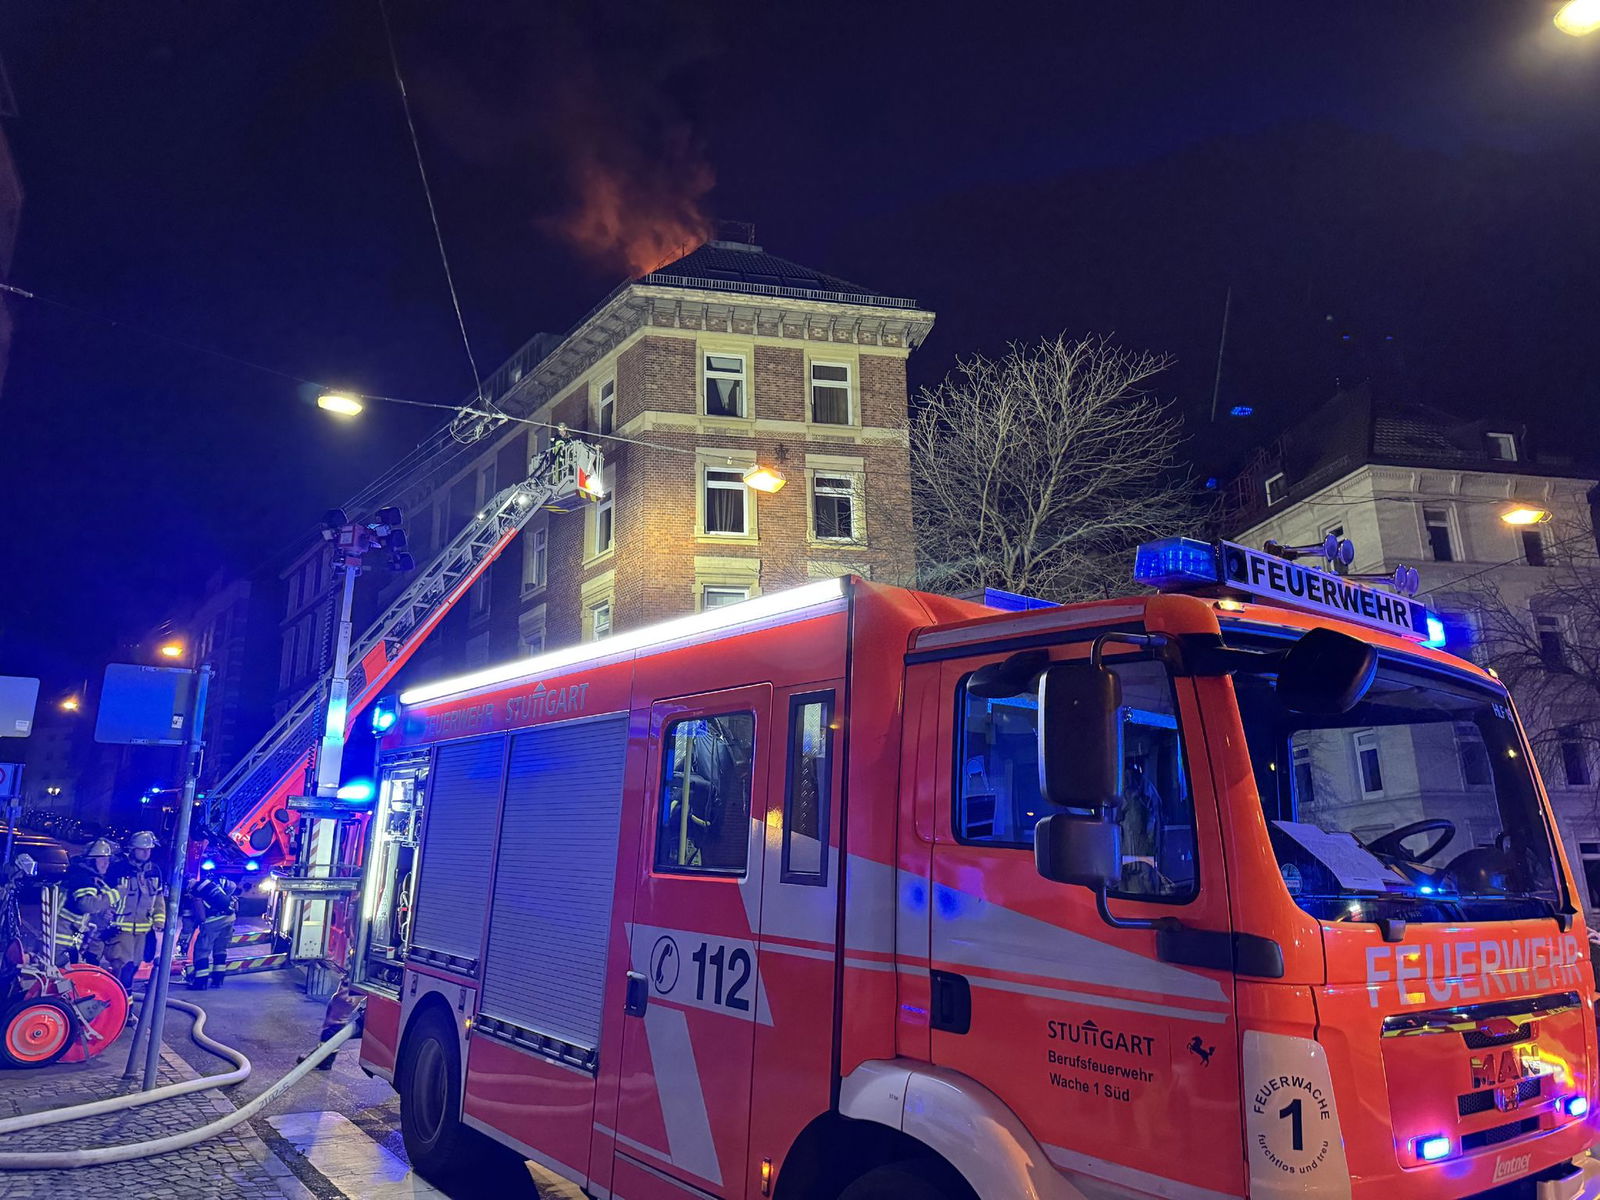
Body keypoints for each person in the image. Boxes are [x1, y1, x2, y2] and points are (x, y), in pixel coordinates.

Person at [105, 831, 167, 990]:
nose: (146, 853)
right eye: (142, 849)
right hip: (120, 929)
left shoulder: (155, 871)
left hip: (143, 931)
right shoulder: (118, 868)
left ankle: (125, 1005)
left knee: (133, 968)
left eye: (149, 849)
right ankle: (121, 1007)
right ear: (132, 849)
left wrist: (159, 920)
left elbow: (158, 898)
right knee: (123, 967)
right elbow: (106, 895)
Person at [56, 838, 120, 966]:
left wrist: (105, 915)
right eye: (102, 859)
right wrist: (116, 894)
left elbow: (90, 914)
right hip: (60, 939)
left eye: (108, 860)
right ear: (91, 861)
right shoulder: (82, 879)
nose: (106, 863)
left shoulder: (90, 878)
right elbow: (87, 905)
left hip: (70, 939)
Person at [188, 868, 238, 989]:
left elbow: (200, 914)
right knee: (220, 949)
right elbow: (232, 887)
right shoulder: (212, 883)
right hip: (229, 918)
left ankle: (201, 982)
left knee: (201, 951)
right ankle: (218, 980)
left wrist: (199, 923)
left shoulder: (195, 892)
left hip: (212, 922)